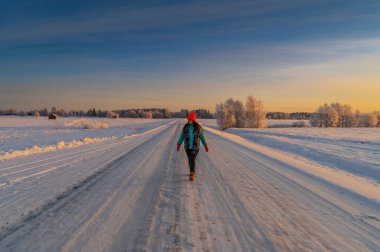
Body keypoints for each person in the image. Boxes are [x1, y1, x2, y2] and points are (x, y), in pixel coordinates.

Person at [177, 112, 209, 181]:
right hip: (187, 146)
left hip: (195, 147)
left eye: (190, 119)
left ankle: (192, 174)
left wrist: (205, 145)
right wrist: (179, 144)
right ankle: (191, 171)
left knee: (192, 158)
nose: (188, 121)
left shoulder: (198, 128)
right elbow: (182, 137)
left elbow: (202, 138)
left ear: (193, 120)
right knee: (190, 159)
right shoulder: (185, 128)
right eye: (188, 119)